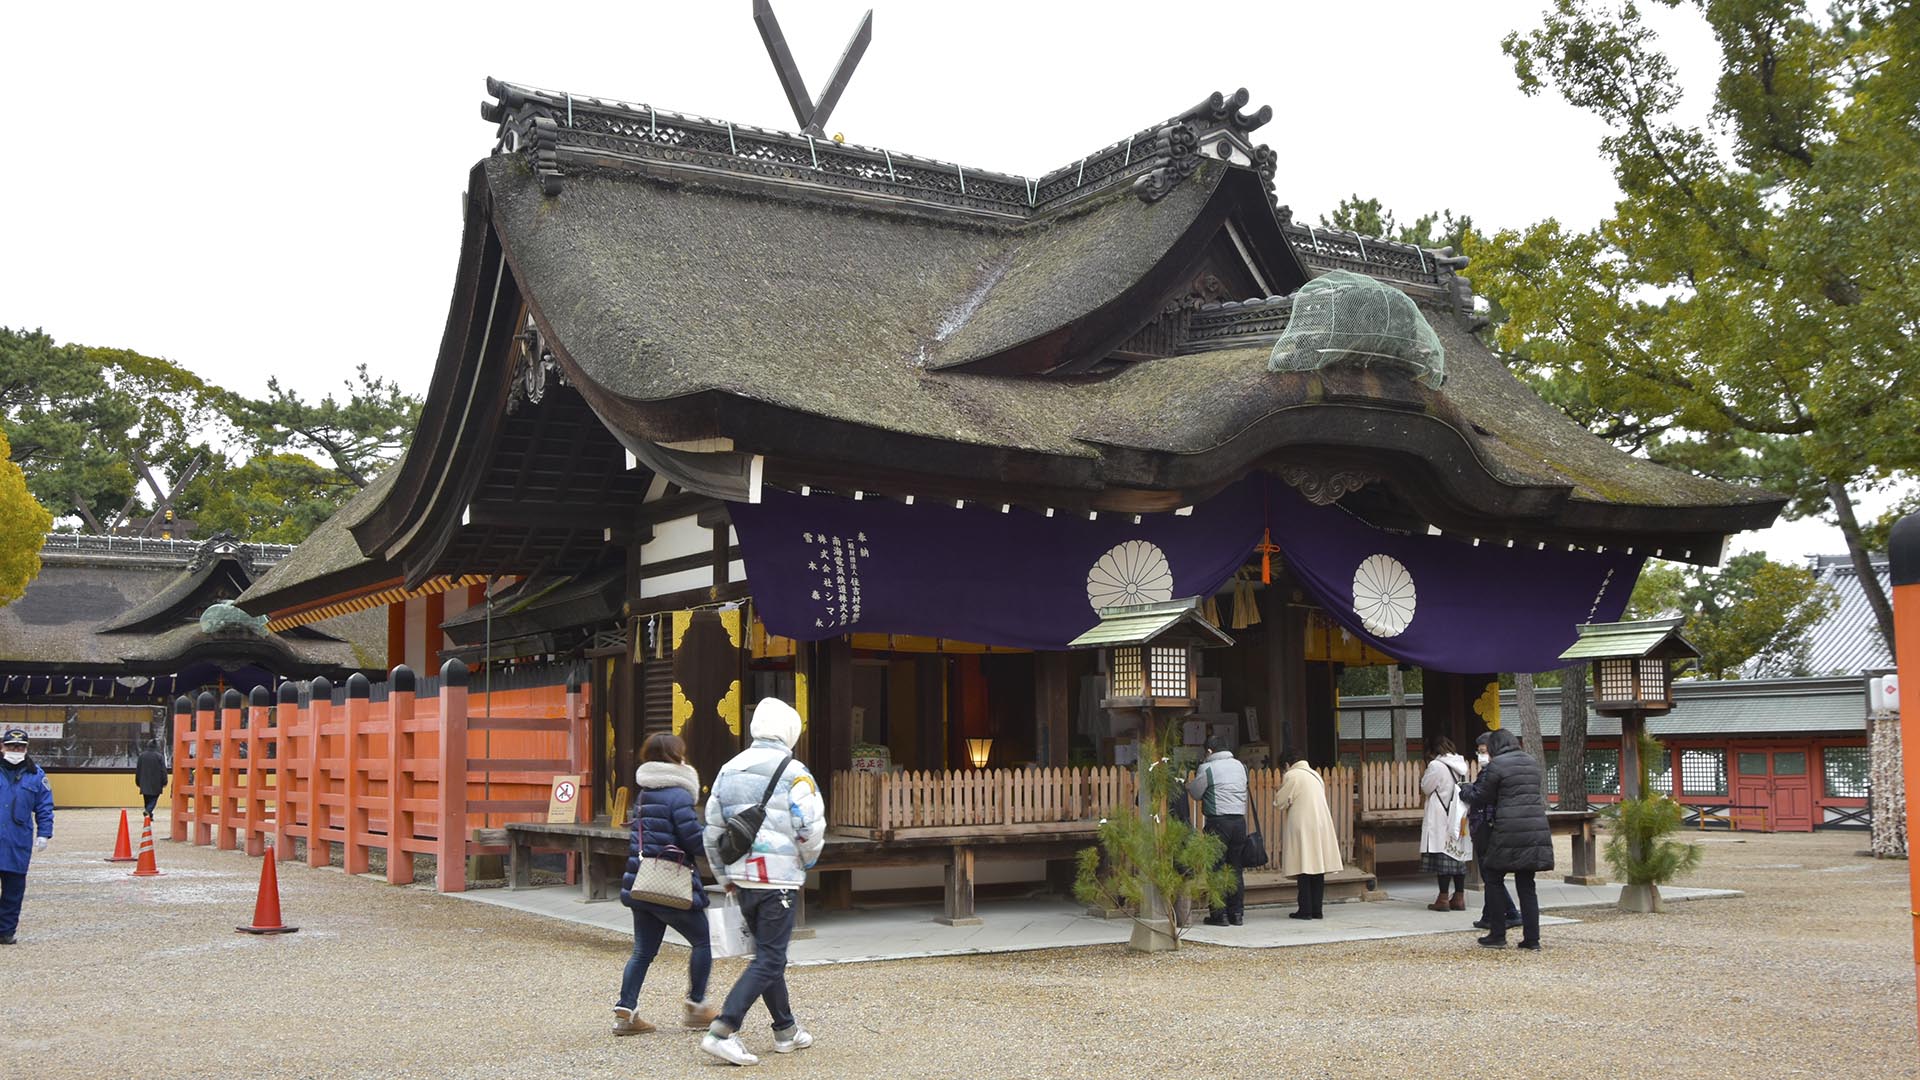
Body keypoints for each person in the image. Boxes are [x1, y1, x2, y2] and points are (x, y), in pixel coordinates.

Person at [700, 698, 825, 1067]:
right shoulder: (795, 770)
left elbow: (712, 830)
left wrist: (724, 876)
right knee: (771, 958)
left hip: (742, 877)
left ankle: (785, 1029)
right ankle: (723, 1029)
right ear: (790, 730)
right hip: (778, 879)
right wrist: (804, 863)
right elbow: (810, 827)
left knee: (768, 955)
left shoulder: (729, 769)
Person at [613, 733, 718, 1036]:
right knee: (702, 941)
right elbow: (693, 841)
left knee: (643, 952)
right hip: (670, 885)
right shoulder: (678, 796)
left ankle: (626, 1011)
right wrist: (714, 834)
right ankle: (697, 1006)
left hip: (643, 882)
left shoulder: (644, 794)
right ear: (676, 756)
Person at [1459, 727, 1552, 950]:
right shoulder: (1531, 761)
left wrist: (1464, 790)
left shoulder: (1497, 765)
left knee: (1493, 879)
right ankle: (1532, 939)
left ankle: (1498, 934)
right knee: (1527, 885)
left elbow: (1482, 796)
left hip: (1507, 828)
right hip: (1534, 828)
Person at [1272, 748, 1343, 920]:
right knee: (1317, 868)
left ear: (1287, 765)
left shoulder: (1293, 775)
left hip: (1302, 824)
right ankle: (1317, 909)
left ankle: (1305, 910)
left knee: (1303, 867)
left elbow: (1279, 802)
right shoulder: (1315, 775)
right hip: (1320, 823)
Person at [1187, 735, 1249, 926]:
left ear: (1209, 751)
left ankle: (1219, 914)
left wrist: (1188, 784)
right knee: (1236, 869)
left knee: (1216, 868)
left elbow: (1196, 793)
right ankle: (1236, 913)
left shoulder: (1207, 768)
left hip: (1218, 822)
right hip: (1239, 821)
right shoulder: (1240, 766)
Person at [1, 728, 54, 945]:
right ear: (2, 747)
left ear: (26, 749)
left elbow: (44, 806)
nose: (16, 750)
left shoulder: (36, 775)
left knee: (13, 891)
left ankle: (5, 931)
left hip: (17, 842)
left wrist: (44, 833)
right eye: (11, 746)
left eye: (20, 747)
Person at [1467, 732, 1519, 933]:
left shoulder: (1493, 770)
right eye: (1479, 752)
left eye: (1483, 751)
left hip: (1487, 824)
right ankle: (1488, 916)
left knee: (1491, 875)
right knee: (1491, 875)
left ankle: (1511, 913)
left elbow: (1481, 795)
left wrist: (1465, 791)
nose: (1481, 756)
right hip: (1495, 823)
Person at [1418, 736, 1470, 911]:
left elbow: (1426, 787)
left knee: (1443, 856)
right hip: (1458, 814)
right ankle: (1459, 897)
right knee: (1457, 855)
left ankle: (1443, 898)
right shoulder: (1461, 765)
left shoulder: (1436, 766)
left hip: (1441, 814)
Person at [135, 739, 168, 821]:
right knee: (154, 799)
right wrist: (164, 781)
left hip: (144, 782)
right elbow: (163, 770)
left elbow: (138, 769)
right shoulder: (159, 756)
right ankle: (148, 811)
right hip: (156, 782)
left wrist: (138, 781)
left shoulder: (142, 756)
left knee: (147, 799)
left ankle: (149, 815)